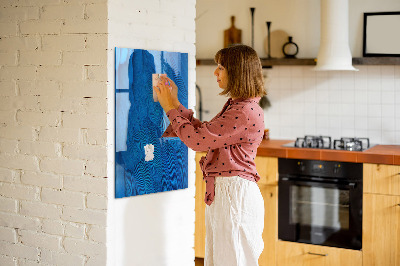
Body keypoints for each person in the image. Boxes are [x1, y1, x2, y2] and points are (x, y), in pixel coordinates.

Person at [155, 44, 266, 266]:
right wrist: (175, 103)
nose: (215, 72)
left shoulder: (243, 111)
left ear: (237, 71)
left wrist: (169, 107)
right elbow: (205, 133)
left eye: (221, 67)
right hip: (228, 193)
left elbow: (197, 141)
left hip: (234, 195)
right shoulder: (238, 106)